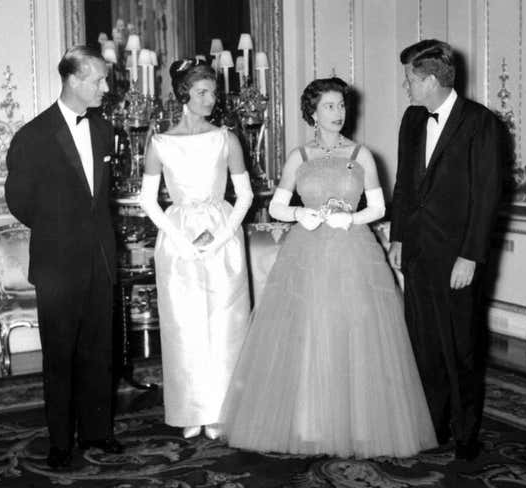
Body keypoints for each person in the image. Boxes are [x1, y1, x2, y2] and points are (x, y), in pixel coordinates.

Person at [220, 77, 437, 459]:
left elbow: (379, 207)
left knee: (355, 331)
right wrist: (301, 213)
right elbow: (276, 207)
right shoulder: (299, 157)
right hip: (307, 253)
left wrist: (350, 221)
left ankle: (360, 425)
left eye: (342, 105)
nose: (339, 113)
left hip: (354, 252)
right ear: (313, 113)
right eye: (330, 107)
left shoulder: (361, 154)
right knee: (311, 331)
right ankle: (310, 424)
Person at [5, 45, 122, 469]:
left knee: (99, 351)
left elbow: (101, 199)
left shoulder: (105, 131)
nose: (106, 88)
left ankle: (98, 432)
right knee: (59, 355)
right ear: (74, 79)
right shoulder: (33, 136)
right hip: (57, 264)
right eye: (99, 80)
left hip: (101, 260)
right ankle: (60, 442)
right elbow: (18, 200)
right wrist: (60, 230)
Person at [389, 39, 504, 461]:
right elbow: (404, 185)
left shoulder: (481, 123)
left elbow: (486, 197)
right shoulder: (411, 119)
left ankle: (465, 431)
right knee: (423, 342)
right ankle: (431, 425)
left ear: (432, 80)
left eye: (409, 81)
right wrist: (398, 238)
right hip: (418, 251)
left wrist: (470, 256)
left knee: (461, 346)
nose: (405, 88)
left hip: (458, 257)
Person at [138, 58, 253, 441]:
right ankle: (191, 408)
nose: (211, 99)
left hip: (222, 236)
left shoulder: (226, 138)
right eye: (202, 92)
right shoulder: (160, 143)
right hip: (179, 238)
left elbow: (245, 195)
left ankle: (222, 409)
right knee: (184, 325)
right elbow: (149, 201)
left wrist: (219, 238)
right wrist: (182, 239)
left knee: (224, 325)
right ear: (184, 94)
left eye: (213, 92)